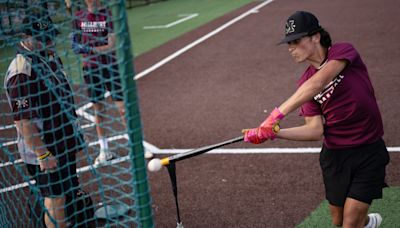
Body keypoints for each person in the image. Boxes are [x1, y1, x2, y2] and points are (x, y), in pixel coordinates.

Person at [243, 11, 390, 228]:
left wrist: (273, 116)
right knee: (339, 221)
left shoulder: (342, 52)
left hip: (368, 150)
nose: (290, 48)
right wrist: (274, 132)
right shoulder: (305, 82)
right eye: (288, 43)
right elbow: (314, 130)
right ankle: (368, 223)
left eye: (295, 41)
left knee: (349, 224)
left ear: (316, 37)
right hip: (335, 156)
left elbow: (319, 83)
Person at [4, 13, 93, 227]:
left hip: (63, 141)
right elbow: (23, 122)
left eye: (50, 36)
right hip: (46, 148)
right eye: (42, 38)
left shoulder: (48, 58)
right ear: (26, 37)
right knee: (56, 199)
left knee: (68, 191)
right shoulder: (21, 72)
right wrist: (43, 154)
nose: (49, 42)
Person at [71, 0, 153, 165]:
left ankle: (137, 146)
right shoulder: (78, 17)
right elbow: (75, 44)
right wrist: (78, 46)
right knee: (99, 110)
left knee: (123, 109)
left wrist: (89, 49)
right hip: (91, 69)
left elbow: (111, 45)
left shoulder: (109, 14)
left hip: (111, 67)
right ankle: (105, 150)